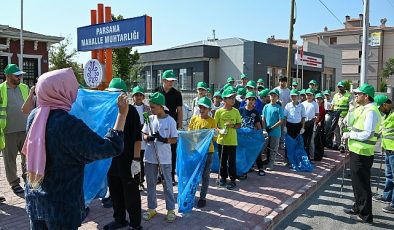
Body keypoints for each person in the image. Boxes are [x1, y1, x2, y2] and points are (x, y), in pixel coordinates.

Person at [24, 68, 127, 230]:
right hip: (61, 205)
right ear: (62, 90)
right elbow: (109, 147)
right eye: (72, 88)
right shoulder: (67, 124)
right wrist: (122, 114)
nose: (75, 92)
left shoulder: (34, 116)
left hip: (35, 198)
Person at [103, 79, 143, 230]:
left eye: (117, 94)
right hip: (112, 161)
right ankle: (119, 220)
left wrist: (137, 160)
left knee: (131, 195)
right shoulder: (108, 110)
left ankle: (135, 224)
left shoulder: (131, 112)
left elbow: (137, 139)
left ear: (124, 95)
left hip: (128, 161)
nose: (115, 97)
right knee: (115, 193)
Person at [342, 83, 381, 223]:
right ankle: (358, 207)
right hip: (356, 151)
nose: (355, 96)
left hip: (363, 152)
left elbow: (367, 133)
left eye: (358, 94)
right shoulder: (362, 108)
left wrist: (350, 135)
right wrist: (351, 110)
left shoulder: (371, 111)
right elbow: (350, 122)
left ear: (366, 96)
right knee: (356, 183)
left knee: (362, 185)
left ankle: (366, 215)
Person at [142, 92, 178, 223]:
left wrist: (163, 139)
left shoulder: (170, 121)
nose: (151, 109)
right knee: (150, 184)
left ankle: (170, 209)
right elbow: (144, 134)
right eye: (150, 107)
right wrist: (148, 137)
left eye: (153, 107)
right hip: (150, 157)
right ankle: (152, 208)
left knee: (167, 184)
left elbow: (174, 139)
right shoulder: (150, 119)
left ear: (161, 106)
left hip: (164, 158)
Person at [0, 64, 29, 194]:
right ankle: (14, 183)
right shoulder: (1, 89)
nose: (20, 78)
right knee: (10, 160)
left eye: (21, 75)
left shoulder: (24, 87)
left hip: (25, 129)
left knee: (27, 158)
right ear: (8, 76)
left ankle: (28, 179)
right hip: (7, 131)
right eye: (17, 75)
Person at [188, 97, 217, 208]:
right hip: (195, 151)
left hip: (208, 152)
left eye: (204, 107)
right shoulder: (194, 119)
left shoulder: (212, 121)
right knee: (194, 175)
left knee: (205, 176)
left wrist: (215, 133)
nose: (202, 109)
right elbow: (190, 134)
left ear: (209, 109)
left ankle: (202, 197)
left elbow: (214, 138)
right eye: (200, 106)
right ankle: (191, 195)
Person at [155, 70, 183, 185]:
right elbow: (153, 107)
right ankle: (159, 175)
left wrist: (179, 126)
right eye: (169, 80)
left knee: (172, 151)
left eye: (173, 81)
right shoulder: (157, 91)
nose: (171, 83)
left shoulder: (177, 94)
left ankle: (171, 176)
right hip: (158, 124)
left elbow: (180, 111)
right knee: (158, 148)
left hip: (172, 126)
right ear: (163, 80)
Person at [214, 87, 241, 190]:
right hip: (221, 140)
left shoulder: (236, 112)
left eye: (234, 97)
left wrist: (233, 126)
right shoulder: (219, 112)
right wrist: (219, 130)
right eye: (230, 98)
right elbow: (215, 125)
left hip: (232, 141)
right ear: (224, 100)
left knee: (231, 161)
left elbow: (239, 125)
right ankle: (223, 178)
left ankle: (233, 179)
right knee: (222, 160)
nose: (233, 100)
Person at [372, 94, 394, 214]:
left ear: (385, 105)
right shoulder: (387, 114)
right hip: (388, 149)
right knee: (389, 175)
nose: (380, 110)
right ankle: (387, 196)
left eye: (380, 108)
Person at [239, 91, 265, 176]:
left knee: (256, 151)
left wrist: (261, 133)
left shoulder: (255, 112)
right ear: (246, 100)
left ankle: (260, 168)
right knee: (243, 152)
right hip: (242, 136)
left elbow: (258, 123)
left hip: (251, 136)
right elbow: (238, 123)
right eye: (249, 99)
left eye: (253, 99)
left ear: (255, 101)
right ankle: (246, 168)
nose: (251, 101)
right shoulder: (240, 110)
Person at [131, 85, 150, 190]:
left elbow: (148, 122)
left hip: (143, 138)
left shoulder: (146, 109)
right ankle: (135, 180)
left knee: (142, 160)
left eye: (140, 95)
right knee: (135, 160)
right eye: (136, 95)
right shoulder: (130, 108)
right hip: (133, 138)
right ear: (133, 96)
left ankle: (141, 181)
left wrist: (145, 129)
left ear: (143, 97)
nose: (138, 97)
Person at [262, 89, 284, 171]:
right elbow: (263, 118)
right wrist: (264, 128)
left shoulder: (279, 108)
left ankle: (271, 163)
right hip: (266, 132)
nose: (273, 97)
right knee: (265, 148)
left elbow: (281, 120)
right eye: (271, 95)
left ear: (277, 97)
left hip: (275, 132)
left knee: (273, 148)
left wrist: (271, 128)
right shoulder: (266, 106)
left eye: (275, 95)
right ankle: (266, 161)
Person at [331, 81, 352, 149]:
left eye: (341, 87)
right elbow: (332, 105)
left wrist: (347, 117)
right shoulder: (335, 95)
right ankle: (337, 144)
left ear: (344, 87)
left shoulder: (348, 96)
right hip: (335, 116)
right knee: (336, 130)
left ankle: (343, 145)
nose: (340, 88)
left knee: (342, 131)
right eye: (339, 87)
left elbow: (351, 107)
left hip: (343, 116)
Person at [302, 88, 319, 158]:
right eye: (307, 95)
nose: (309, 96)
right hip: (304, 124)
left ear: (313, 96)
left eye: (310, 95)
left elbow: (317, 115)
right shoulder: (303, 104)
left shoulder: (315, 104)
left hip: (312, 124)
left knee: (311, 141)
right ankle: (304, 155)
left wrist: (313, 121)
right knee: (303, 140)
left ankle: (311, 156)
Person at [275, 76, 290, 149]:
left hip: (284, 113)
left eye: (283, 81)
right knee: (276, 128)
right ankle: (276, 143)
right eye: (280, 81)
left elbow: (290, 102)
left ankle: (281, 143)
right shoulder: (275, 89)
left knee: (283, 129)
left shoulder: (288, 91)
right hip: (276, 113)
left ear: (286, 82)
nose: (282, 82)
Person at [313, 93, 326, 161]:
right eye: (317, 99)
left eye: (320, 99)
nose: (319, 100)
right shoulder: (313, 106)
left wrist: (320, 121)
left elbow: (323, 117)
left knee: (318, 140)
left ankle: (318, 154)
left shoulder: (322, 108)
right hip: (312, 124)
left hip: (319, 127)